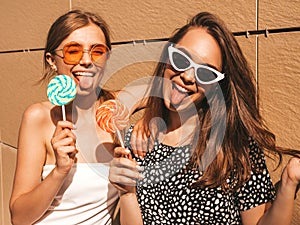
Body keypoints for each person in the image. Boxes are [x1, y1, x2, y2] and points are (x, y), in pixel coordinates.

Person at [109, 12, 300, 225]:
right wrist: (127, 194)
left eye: (206, 73)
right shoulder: (135, 144)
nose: (188, 77)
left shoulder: (235, 146)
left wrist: (288, 184)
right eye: (181, 59)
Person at [10, 10, 121, 225]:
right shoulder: (39, 117)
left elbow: (165, 89)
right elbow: (19, 218)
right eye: (73, 51)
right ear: (52, 60)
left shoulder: (116, 110)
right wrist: (60, 171)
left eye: (97, 51)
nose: (87, 60)